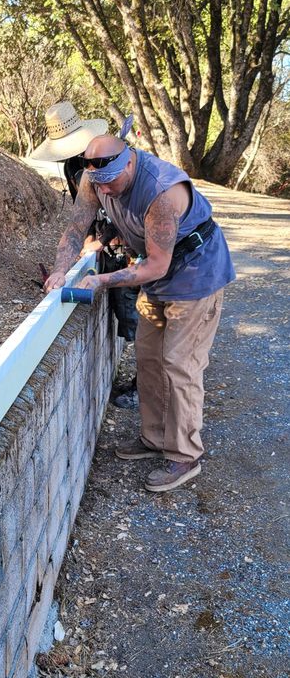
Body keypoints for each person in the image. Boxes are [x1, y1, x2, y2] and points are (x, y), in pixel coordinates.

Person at [45, 133, 235, 493]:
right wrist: (60, 269)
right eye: (100, 185)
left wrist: (101, 280)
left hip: (196, 274)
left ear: (129, 162)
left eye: (113, 183)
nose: (108, 191)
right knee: (149, 358)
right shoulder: (97, 177)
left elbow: (156, 266)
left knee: (180, 364)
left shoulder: (163, 191)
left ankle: (185, 454)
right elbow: (75, 229)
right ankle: (155, 438)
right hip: (159, 276)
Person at [30, 102, 140, 396]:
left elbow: (125, 210)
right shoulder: (73, 167)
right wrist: (63, 266)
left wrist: (100, 242)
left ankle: (142, 386)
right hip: (107, 250)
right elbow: (80, 220)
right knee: (126, 314)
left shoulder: (108, 161)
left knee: (137, 317)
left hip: (131, 250)